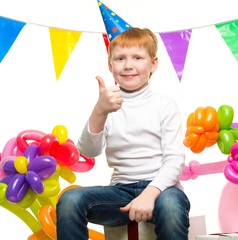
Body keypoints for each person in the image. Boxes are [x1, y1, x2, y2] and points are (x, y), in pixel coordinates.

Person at [56, 27, 190, 240]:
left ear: (153, 63)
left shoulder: (164, 105)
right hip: (120, 193)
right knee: (70, 200)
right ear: (110, 65)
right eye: (120, 58)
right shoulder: (107, 105)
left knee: (172, 206)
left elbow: (174, 161)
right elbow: (88, 151)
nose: (128, 65)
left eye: (137, 57)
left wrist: (149, 194)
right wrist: (100, 110)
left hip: (162, 190)